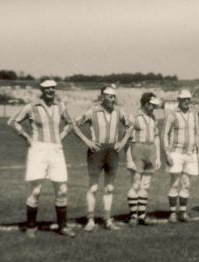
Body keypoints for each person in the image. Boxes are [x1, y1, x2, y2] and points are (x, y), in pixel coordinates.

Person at [8, 79, 78, 238]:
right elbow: (13, 122)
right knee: (36, 190)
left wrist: (61, 136)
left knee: (62, 190)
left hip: (56, 150)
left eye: (53, 88)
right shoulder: (31, 107)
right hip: (38, 150)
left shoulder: (60, 106)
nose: (51, 91)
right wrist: (27, 137)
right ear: (42, 90)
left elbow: (70, 123)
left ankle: (63, 227)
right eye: (47, 88)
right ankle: (31, 226)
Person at [73, 85, 132, 232]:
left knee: (109, 188)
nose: (113, 99)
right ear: (103, 97)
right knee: (93, 187)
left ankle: (107, 219)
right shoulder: (92, 111)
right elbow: (73, 124)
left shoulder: (119, 111)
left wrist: (122, 142)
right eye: (110, 96)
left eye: (114, 96)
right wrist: (87, 142)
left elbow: (131, 125)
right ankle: (90, 220)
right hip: (96, 151)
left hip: (112, 151)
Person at [162, 89, 199, 223]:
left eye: (188, 99)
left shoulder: (194, 114)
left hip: (191, 153)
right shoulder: (172, 114)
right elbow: (165, 134)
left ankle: (183, 212)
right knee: (174, 183)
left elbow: (198, 133)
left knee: (186, 183)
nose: (186, 101)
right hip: (176, 153)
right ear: (178, 100)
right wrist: (167, 152)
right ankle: (173, 213)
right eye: (183, 99)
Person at [126, 92, 163, 226]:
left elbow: (156, 137)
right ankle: (133, 216)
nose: (155, 107)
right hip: (137, 151)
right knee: (135, 184)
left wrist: (158, 157)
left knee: (145, 186)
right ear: (146, 103)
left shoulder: (153, 117)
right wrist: (129, 159)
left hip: (150, 152)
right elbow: (126, 139)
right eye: (153, 105)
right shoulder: (133, 117)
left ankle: (141, 215)